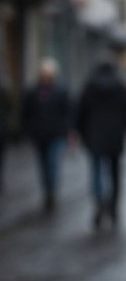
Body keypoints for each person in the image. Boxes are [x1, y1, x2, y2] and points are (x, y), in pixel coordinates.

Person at [75, 53, 126, 229]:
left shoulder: (90, 86)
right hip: (115, 136)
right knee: (114, 172)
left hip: (95, 135)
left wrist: (80, 131)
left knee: (96, 171)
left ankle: (99, 202)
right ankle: (113, 206)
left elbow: (80, 110)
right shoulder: (120, 86)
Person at [21, 57, 73, 213]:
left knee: (52, 163)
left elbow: (67, 112)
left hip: (55, 135)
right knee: (43, 165)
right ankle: (47, 190)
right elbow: (26, 112)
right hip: (39, 135)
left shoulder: (60, 91)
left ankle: (51, 191)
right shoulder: (33, 91)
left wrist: (66, 130)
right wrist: (29, 130)